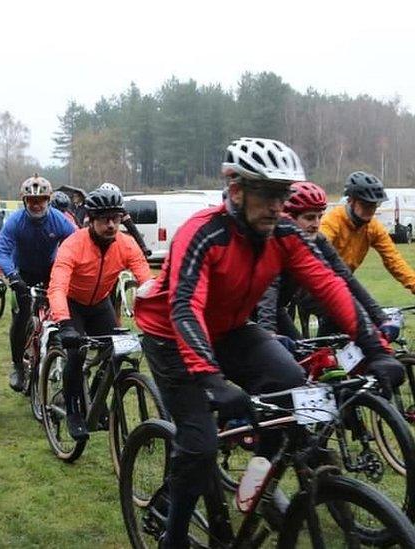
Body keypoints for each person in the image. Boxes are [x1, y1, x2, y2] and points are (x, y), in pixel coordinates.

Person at [133, 137, 401, 547]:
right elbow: (185, 306)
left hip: (229, 328)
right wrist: (210, 378)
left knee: (291, 384)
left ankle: (258, 483)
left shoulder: (283, 234)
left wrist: (376, 347)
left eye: (282, 195)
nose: (278, 206)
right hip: (170, 334)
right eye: (267, 194)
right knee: (199, 445)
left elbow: (329, 285)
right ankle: (174, 534)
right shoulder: (202, 233)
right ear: (237, 191)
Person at [50, 187, 152, 439]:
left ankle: (96, 398)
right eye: (104, 219)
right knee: (76, 354)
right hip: (73, 305)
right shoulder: (74, 244)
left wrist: (160, 319)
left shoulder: (126, 244)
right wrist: (64, 323)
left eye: (115, 219)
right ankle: (73, 411)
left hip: (99, 304)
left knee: (119, 350)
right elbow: (58, 285)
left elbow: (147, 281)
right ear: (91, 219)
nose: (111, 225)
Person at [257, 181, 393, 341]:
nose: (316, 224)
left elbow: (345, 277)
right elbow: (268, 288)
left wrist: (381, 318)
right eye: (309, 218)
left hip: (277, 308)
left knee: (302, 357)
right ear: (289, 218)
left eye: (319, 217)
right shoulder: (273, 242)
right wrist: (268, 332)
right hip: (248, 312)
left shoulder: (317, 240)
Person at [0, 174, 76, 391]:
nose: (36, 205)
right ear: (24, 202)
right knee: (21, 317)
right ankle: (17, 365)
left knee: (61, 313)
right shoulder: (15, 221)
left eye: (41, 200)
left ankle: (57, 351)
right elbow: (1, 252)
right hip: (22, 272)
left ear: (48, 200)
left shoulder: (59, 220)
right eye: (32, 201)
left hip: (50, 270)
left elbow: (76, 244)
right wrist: (12, 276)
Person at [320, 171, 415, 296]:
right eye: (365, 205)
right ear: (351, 201)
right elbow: (317, 252)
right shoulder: (332, 221)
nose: (370, 210)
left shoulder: (373, 228)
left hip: (341, 283)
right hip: (317, 281)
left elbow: (394, 260)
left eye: (374, 206)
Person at [98, 182, 152, 258]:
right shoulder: (93, 211)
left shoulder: (121, 211)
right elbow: (85, 229)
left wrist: (143, 247)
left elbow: (132, 229)